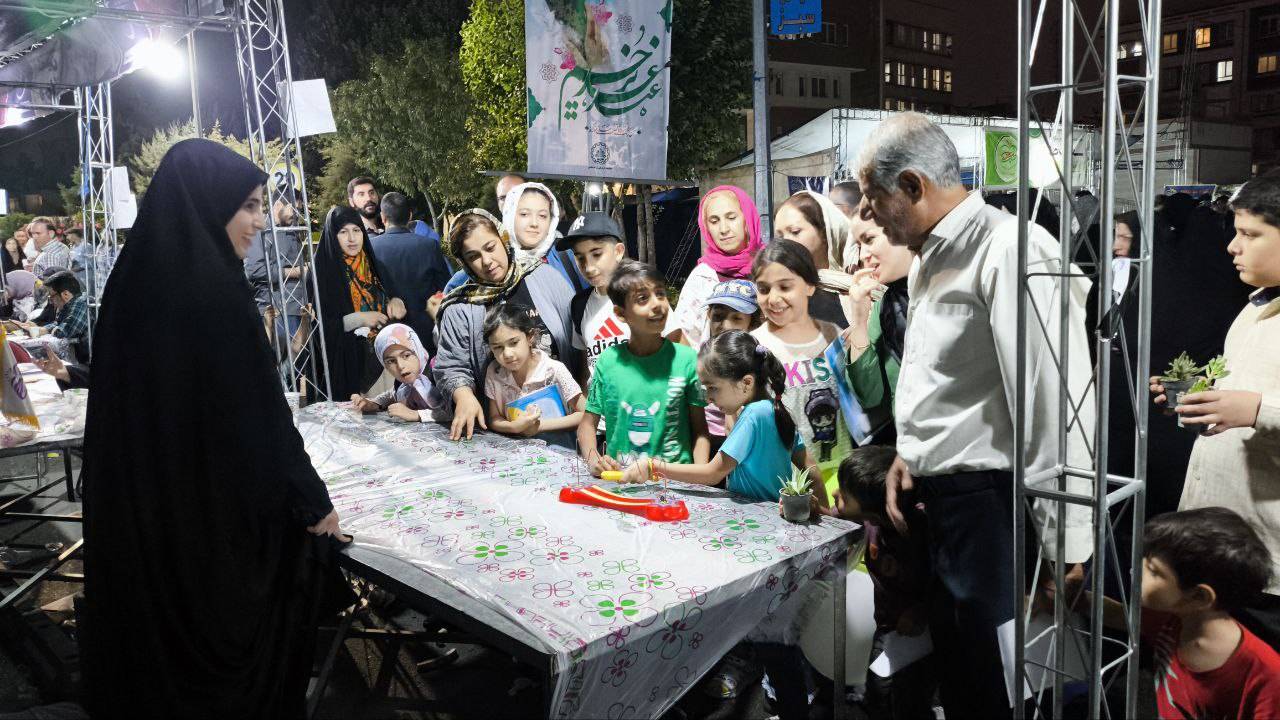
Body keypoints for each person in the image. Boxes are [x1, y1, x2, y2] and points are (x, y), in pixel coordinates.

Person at [80, 138, 348, 719]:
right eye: (247, 206)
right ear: (209, 204)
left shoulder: (133, 282)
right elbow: (259, 416)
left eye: (261, 206)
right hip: (205, 525)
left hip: (146, 518)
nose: (259, 221)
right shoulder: (216, 293)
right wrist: (312, 501)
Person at [857, 112, 1093, 720]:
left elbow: (1053, 402)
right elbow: (946, 378)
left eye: (874, 198)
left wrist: (1068, 539)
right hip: (946, 507)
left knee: (1000, 687)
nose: (868, 215)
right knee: (963, 680)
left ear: (913, 185)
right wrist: (911, 451)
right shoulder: (931, 256)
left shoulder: (1013, 250)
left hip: (992, 508)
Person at [1152, 170, 1280, 650]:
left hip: (1270, 559)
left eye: (1250, 234)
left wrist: (1257, 410)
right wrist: (1197, 395)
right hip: (1225, 542)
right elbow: (1242, 386)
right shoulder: (1253, 309)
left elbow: (1257, 404)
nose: (1232, 246)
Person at [1070, 508, 1280, 719]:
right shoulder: (1173, 620)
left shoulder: (1265, 676)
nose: (1136, 571)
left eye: (1153, 571)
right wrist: (1072, 598)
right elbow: (1120, 617)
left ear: (1199, 596)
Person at [620, 328, 816, 502]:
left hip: (757, 521)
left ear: (746, 383)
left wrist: (652, 466)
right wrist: (823, 511)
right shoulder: (775, 410)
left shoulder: (753, 415)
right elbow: (811, 468)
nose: (708, 398)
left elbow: (712, 473)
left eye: (713, 387)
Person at [433, 208, 575, 440]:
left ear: (503, 239)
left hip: (564, 426)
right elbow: (451, 366)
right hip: (501, 435)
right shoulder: (459, 307)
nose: (486, 261)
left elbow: (577, 340)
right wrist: (463, 394)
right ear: (464, 262)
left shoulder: (546, 277)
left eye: (490, 247)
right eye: (473, 256)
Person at [824, 445, 935, 720]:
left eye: (844, 494)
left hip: (919, 638)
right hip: (886, 627)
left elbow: (947, 579)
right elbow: (835, 516)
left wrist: (922, 610)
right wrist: (814, 510)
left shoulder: (920, 531)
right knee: (879, 694)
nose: (835, 493)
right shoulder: (870, 518)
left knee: (907, 701)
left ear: (875, 514)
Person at [577, 260, 710, 474]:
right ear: (621, 314)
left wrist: (699, 478)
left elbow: (700, 431)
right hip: (621, 480)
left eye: (660, 294)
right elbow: (587, 424)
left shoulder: (687, 360)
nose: (657, 304)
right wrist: (593, 460)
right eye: (643, 299)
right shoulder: (608, 361)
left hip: (674, 483)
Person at [750, 239, 851, 501]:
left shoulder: (834, 335)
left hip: (841, 470)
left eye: (785, 287)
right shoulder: (754, 345)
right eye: (763, 289)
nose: (774, 299)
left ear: (809, 285)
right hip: (790, 481)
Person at [314, 206, 407, 399]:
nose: (352, 238)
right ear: (333, 235)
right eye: (343, 232)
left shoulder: (375, 266)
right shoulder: (321, 275)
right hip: (350, 368)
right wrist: (358, 319)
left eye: (356, 230)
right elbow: (319, 329)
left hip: (387, 361)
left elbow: (392, 294)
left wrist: (397, 301)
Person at [664, 185, 765, 348]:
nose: (723, 229)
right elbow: (685, 340)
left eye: (731, 218)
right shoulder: (703, 277)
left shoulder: (770, 268)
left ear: (747, 218)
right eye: (714, 221)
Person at [843, 214, 912, 444]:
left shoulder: (950, 291)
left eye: (870, 239)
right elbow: (869, 395)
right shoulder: (886, 306)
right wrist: (859, 322)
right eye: (859, 245)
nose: (863, 255)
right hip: (909, 447)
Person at [482, 303, 585, 450]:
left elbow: (585, 414)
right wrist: (513, 427)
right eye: (498, 347)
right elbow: (494, 418)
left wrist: (539, 426)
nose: (507, 354)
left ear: (530, 337)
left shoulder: (553, 370)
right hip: (518, 454)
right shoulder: (495, 373)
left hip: (562, 452)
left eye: (514, 343)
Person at [371, 191, 452, 353]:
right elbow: (446, 288)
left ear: (383, 217)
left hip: (388, 333)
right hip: (425, 334)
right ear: (409, 216)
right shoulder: (429, 246)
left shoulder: (371, 248)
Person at [562, 211, 631, 390]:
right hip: (600, 407)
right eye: (580, 258)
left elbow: (676, 346)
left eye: (597, 254)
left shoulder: (642, 295)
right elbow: (587, 367)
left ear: (618, 251)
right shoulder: (579, 305)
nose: (589, 267)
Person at [774, 190, 855, 327]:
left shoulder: (864, 281)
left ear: (824, 232)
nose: (786, 242)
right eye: (780, 236)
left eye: (795, 232)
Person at [701, 279, 764, 448]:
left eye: (736, 318)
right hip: (704, 436)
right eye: (718, 316)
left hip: (740, 441)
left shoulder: (757, 358)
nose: (725, 325)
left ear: (753, 322)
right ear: (708, 315)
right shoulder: (703, 353)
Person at [245, 195, 308, 358]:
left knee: (299, 364)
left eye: (299, 210)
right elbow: (255, 270)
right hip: (275, 310)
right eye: (294, 209)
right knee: (281, 364)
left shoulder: (292, 230)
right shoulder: (257, 229)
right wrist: (295, 272)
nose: (297, 214)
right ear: (278, 204)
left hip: (298, 307)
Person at [350, 323, 443, 423]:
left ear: (417, 350)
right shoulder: (403, 383)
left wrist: (417, 415)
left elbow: (453, 410)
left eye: (406, 355)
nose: (400, 366)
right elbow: (392, 394)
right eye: (391, 361)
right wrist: (374, 404)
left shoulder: (439, 374)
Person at [19, 270, 89, 361]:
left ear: (65, 294)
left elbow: (64, 331)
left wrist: (45, 330)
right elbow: (57, 323)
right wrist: (38, 330)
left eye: (51, 296)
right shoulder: (68, 305)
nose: (51, 301)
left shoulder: (81, 303)